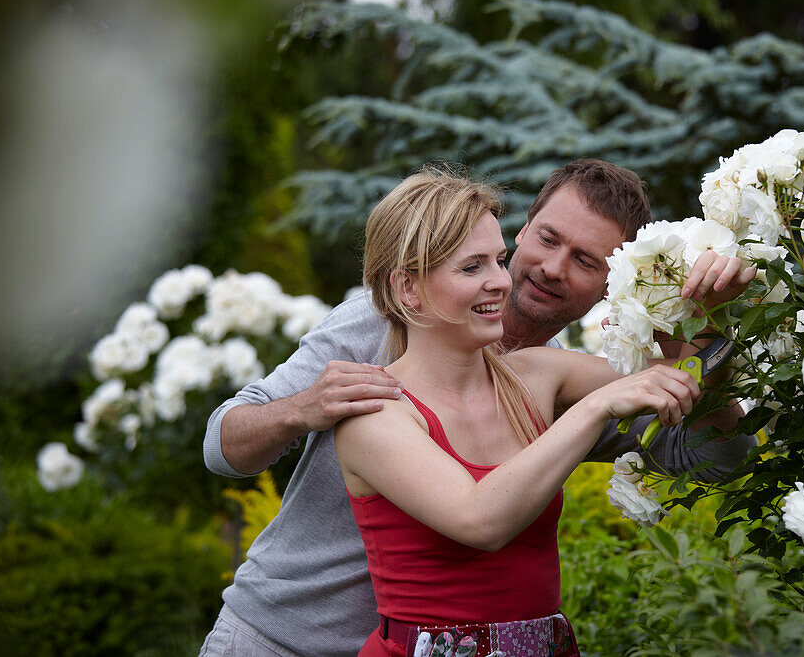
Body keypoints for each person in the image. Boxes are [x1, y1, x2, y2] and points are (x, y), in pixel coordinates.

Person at [200, 159, 757, 657]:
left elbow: (711, 455)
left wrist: (708, 325)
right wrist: (303, 407)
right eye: (547, 238)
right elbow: (222, 445)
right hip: (279, 637)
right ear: (525, 231)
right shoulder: (373, 333)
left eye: (585, 259)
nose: (552, 268)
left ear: (612, 283)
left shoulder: (549, 377)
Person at [338, 168, 731, 655]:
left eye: (499, 261)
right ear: (409, 288)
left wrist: (712, 307)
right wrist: (593, 409)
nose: (500, 283)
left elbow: (687, 375)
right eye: (471, 268)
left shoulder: (538, 371)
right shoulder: (373, 413)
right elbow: (479, 521)